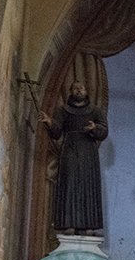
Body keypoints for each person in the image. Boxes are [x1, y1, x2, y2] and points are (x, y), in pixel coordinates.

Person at [41, 80, 108, 235]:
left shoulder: (95, 111)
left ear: (86, 91)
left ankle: (90, 225)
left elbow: (104, 131)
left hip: (88, 152)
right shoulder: (63, 110)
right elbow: (56, 132)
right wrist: (50, 122)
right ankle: (68, 224)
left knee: (89, 186)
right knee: (69, 184)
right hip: (69, 149)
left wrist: (95, 128)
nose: (78, 90)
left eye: (81, 88)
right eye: (75, 88)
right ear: (71, 91)